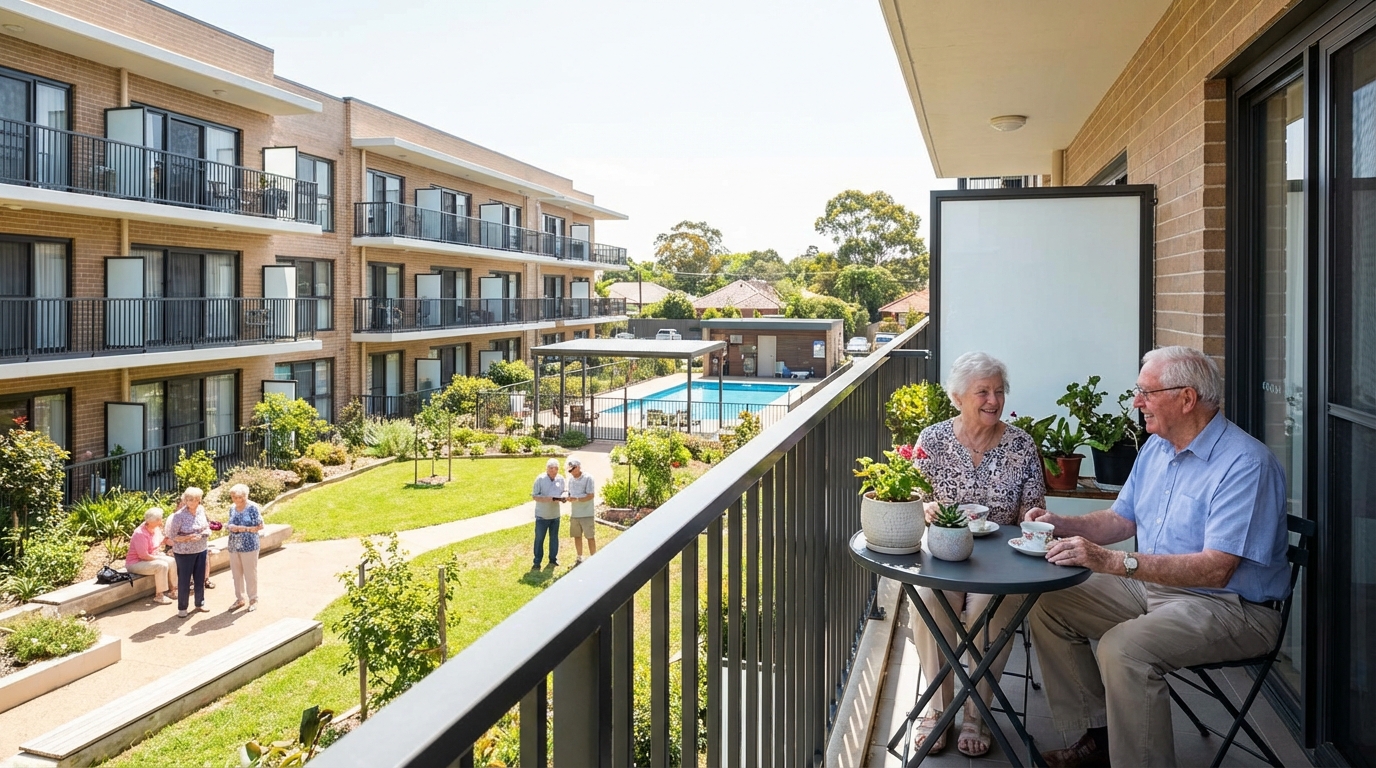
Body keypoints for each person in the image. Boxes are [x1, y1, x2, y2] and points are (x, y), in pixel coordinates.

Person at [1026, 346, 1288, 768]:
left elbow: (1217, 569)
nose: (1136, 402)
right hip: (1157, 588)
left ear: (1186, 398)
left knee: (1123, 649)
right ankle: (1100, 737)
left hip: (1231, 608)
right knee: (1050, 602)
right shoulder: (1156, 448)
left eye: (1147, 392)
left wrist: (1115, 563)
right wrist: (1062, 523)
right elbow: (1120, 520)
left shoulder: (1245, 464)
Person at [909, 351, 1045, 757]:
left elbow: (1033, 511)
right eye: (982, 392)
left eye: (999, 391)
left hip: (1001, 565)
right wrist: (924, 508)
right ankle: (938, 709)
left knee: (990, 605)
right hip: (946, 559)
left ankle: (975, 712)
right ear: (957, 397)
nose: (993, 400)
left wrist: (1033, 520)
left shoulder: (1021, 445)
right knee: (932, 600)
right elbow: (911, 497)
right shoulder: (932, 440)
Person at [167, 487, 211, 617]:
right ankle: (182, 607)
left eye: (196, 499)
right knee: (184, 580)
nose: (192, 502)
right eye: (190, 499)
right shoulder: (179, 515)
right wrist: (187, 538)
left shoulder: (201, 510)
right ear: (185, 500)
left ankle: (200, 603)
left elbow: (207, 527)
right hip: (184, 553)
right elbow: (172, 535)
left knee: (199, 578)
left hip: (201, 549)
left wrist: (203, 534)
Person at [125, 507, 178, 605]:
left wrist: (179, 544)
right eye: (158, 520)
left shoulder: (155, 528)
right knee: (162, 565)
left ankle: (174, 590)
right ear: (150, 521)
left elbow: (163, 540)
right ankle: (159, 596)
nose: (160, 521)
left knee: (172, 561)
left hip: (150, 557)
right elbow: (143, 555)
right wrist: (159, 558)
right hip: (136, 562)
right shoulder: (139, 533)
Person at [225, 483, 264, 612]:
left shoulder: (252, 507)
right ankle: (240, 598)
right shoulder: (232, 508)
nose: (237, 500)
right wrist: (229, 526)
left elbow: (259, 526)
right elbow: (229, 522)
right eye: (234, 497)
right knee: (236, 574)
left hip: (249, 545)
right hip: (234, 545)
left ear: (245, 496)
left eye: (239, 497)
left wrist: (243, 529)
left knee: (250, 573)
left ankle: (253, 598)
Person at [531, 458, 566, 569]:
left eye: (555, 468)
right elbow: (535, 496)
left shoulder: (560, 479)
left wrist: (564, 496)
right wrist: (547, 499)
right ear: (547, 468)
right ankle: (537, 562)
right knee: (539, 538)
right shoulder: (540, 479)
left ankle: (553, 559)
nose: (553, 470)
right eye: (551, 468)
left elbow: (564, 491)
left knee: (554, 538)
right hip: (542, 515)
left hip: (555, 515)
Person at [564, 457, 597, 564]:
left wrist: (577, 499)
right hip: (575, 514)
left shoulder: (588, 478)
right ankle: (579, 557)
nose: (571, 472)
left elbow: (591, 495)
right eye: (569, 470)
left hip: (587, 513)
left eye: (572, 469)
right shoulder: (571, 480)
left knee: (590, 537)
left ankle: (594, 558)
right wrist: (567, 497)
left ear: (578, 467)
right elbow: (570, 494)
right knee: (577, 536)